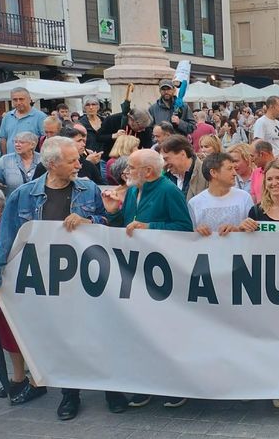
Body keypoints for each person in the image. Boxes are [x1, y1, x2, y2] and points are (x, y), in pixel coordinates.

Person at [0, 137, 125, 419]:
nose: (79, 164)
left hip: (89, 277)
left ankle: (113, 389)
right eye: (72, 160)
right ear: (51, 164)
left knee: (101, 331)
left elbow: (106, 224)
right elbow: (8, 238)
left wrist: (92, 221)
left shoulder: (88, 189)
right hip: (49, 281)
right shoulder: (23, 196)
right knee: (64, 337)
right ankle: (70, 394)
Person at [101, 148, 192, 409]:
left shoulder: (169, 191)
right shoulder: (132, 190)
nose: (125, 171)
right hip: (136, 271)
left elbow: (184, 227)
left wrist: (150, 228)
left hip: (163, 272)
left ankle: (175, 385)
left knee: (166, 331)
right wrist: (113, 213)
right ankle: (148, 384)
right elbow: (126, 226)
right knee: (142, 331)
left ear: (148, 172)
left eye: (131, 167)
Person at [0, 186, 46, 407]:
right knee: (7, 338)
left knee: (24, 338)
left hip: (12, 296)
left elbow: (14, 256)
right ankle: (16, 379)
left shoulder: (5, 229)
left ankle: (37, 380)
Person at [187, 152, 253, 237]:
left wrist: (238, 230)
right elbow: (189, 236)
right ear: (213, 173)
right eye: (230, 169)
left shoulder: (244, 197)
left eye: (234, 169)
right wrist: (197, 231)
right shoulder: (194, 203)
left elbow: (254, 231)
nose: (235, 173)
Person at [0, 87, 47, 155]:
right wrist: (5, 157)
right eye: (15, 100)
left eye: (21, 99)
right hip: (10, 161)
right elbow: (3, 139)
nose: (18, 102)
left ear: (29, 99)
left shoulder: (40, 117)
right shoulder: (7, 117)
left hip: (32, 161)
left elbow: (45, 139)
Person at [160, 135, 208, 201]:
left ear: (182, 154)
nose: (164, 164)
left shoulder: (206, 176)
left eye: (166, 159)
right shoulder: (165, 177)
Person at [0, 131, 40, 196]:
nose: (17, 145)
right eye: (15, 142)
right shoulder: (5, 160)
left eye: (22, 142)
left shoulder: (42, 160)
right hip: (12, 203)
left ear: (32, 145)